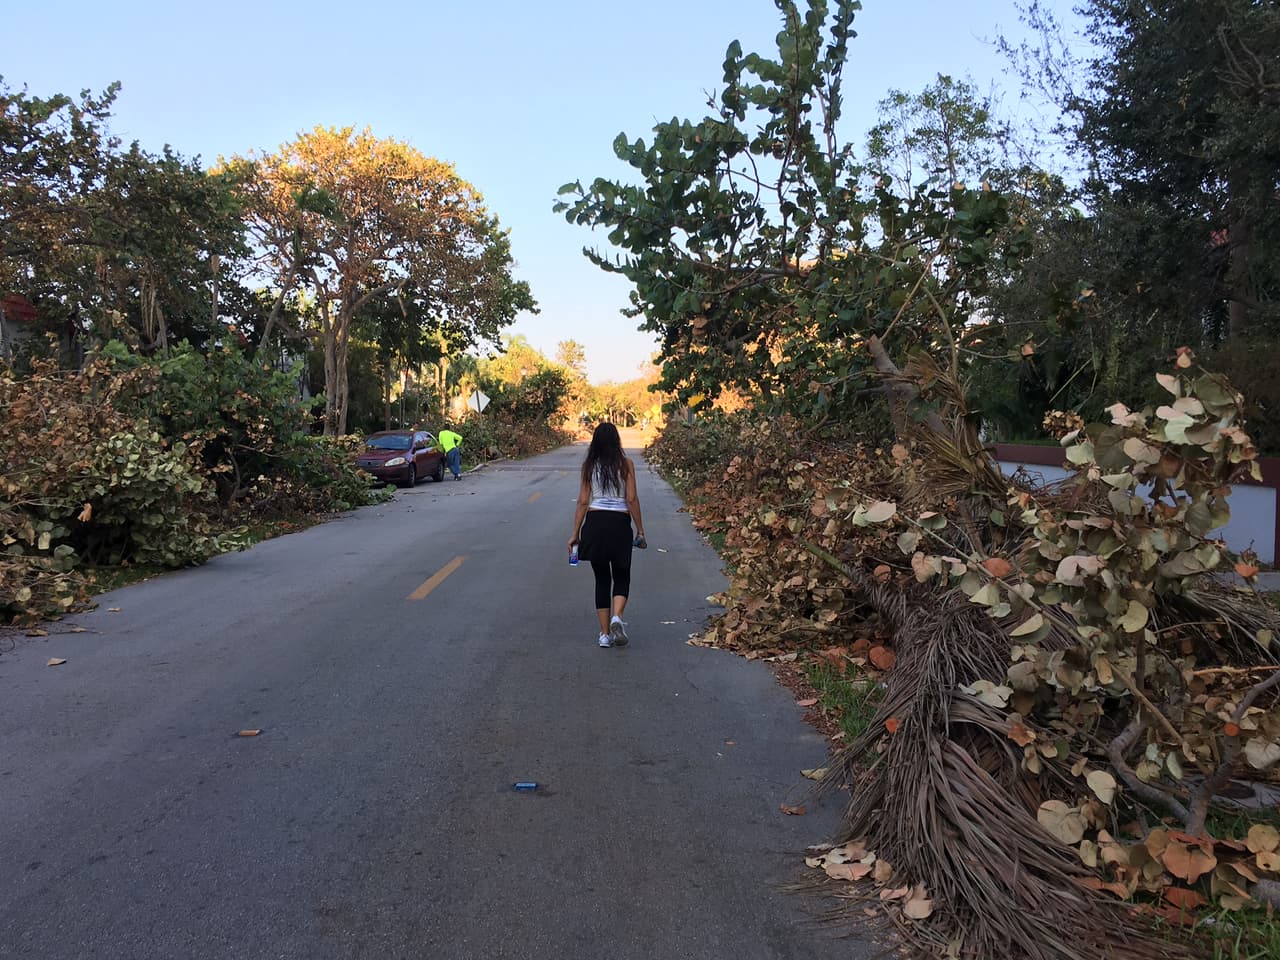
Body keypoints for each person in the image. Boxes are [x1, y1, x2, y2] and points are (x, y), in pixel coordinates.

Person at [568, 422, 647, 648]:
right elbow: (631, 499)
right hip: (619, 524)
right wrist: (640, 529)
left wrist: (575, 533)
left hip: (594, 523)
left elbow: (583, 501)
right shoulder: (626, 464)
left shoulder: (589, 466)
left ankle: (604, 635)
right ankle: (617, 617)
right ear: (616, 441)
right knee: (622, 574)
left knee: (602, 579)